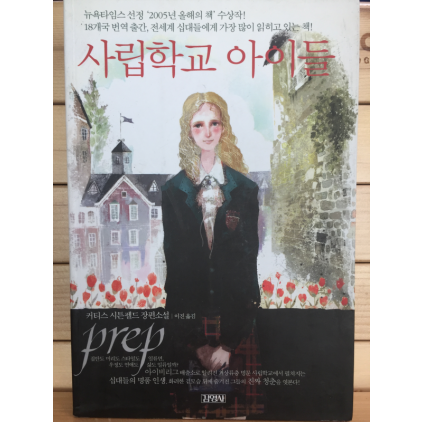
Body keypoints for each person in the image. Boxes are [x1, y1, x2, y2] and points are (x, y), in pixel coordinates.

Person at [161, 92, 263, 418]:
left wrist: (229, 343)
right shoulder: (173, 191)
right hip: (191, 322)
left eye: (214, 123)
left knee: (237, 411)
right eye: (198, 125)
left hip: (235, 318)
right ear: (188, 131)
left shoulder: (244, 190)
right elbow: (175, 266)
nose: (207, 132)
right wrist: (197, 344)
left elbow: (248, 263)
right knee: (189, 411)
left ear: (224, 128)